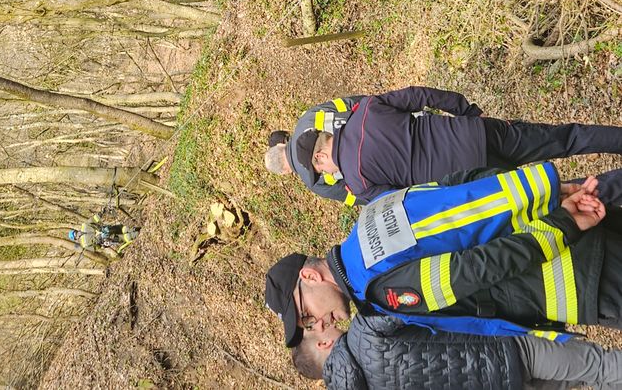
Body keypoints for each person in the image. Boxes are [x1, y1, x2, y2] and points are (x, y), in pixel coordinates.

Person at [265, 166, 622, 354]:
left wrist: (563, 224)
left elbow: (482, 268)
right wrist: (548, 195)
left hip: (575, 275)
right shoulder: (370, 217)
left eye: (306, 315)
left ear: (310, 277)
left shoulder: (379, 288)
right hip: (566, 227)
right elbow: (460, 184)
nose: (317, 323)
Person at [264, 86, 622, 205]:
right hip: (475, 134)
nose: (325, 174)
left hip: (473, 180)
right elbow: (423, 95)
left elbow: (411, 201)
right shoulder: (367, 108)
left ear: (322, 154)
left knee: (553, 194)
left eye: (320, 168)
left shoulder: (357, 184)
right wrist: (469, 112)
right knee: (567, 138)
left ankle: (610, 188)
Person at [294, 313, 622, 389]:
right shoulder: (365, 330)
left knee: (587, 378)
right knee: (598, 366)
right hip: (505, 350)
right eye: (316, 328)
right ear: (324, 344)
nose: (325, 323)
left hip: (504, 386)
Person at [67, 215, 139, 253]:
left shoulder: (84, 244)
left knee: (123, 238)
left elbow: (96, 248)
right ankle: (137, 230)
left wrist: (101, 244)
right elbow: (94, 219)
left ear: (76, 239)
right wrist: (101, 213)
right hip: (106, 230)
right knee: (122, 229)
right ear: (75, 231)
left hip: (106, 238)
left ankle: (137, 234)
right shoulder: (84, 225)